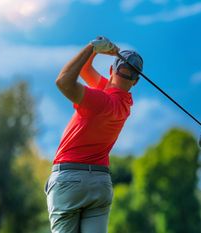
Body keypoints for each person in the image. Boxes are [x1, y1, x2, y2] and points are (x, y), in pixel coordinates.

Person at [44, 36, 143, 233]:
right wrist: (94, 52)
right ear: (136, 81)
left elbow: (63, 81)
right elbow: (85, 70)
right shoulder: (123, 103)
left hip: (69, 180)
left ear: (111, 70)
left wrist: (92, 47)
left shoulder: (100, 101)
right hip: (100, 184)